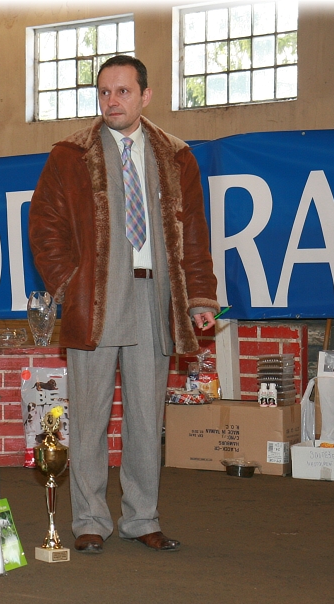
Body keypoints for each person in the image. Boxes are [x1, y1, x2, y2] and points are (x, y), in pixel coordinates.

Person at [27, 55, 219, 555]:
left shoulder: (176, 156)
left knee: (144, 417)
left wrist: (200, 295)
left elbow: (194, 232)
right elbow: (44, 226)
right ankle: (89, 520)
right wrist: (70, 285)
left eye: (123, 92)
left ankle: (142, 518)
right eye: (104, 92)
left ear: (145, 96)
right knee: (88, 417)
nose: (112, 101)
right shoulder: (70, 154)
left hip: (156, 295)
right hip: (96, 297)